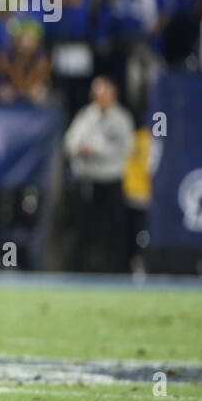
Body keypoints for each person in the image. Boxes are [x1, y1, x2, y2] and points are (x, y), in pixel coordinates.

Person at [64, 76, 135, 273]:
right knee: (83, 229)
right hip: (88, 180)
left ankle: (118, 271)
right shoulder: (86, 115)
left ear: (112, 95)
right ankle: (81, 271)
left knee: (115, 230)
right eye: (95, 93)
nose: (98, 97)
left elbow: (128, 148)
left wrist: (98, 151)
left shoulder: (121, 118)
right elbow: (69, 142)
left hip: (111, 180)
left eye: (102, 93)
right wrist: (80, 150)